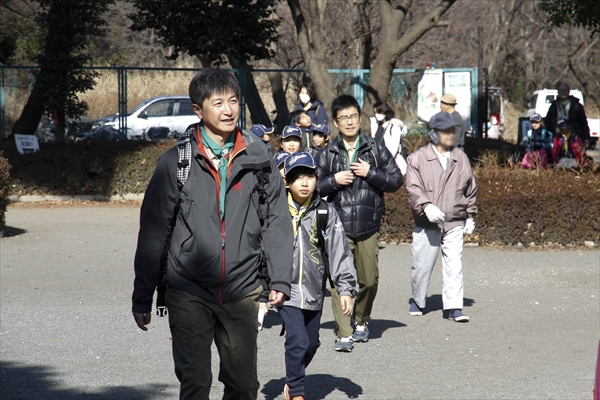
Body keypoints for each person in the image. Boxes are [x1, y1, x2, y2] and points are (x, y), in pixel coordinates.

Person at [131, 68, 293, 400]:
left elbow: (276, 220)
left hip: (243, 287)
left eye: (233, 101)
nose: (228, 110)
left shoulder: (260, 160)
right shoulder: (177, 162)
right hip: (188, 289)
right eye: (217, 102)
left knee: (243, 386)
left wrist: (279, 279)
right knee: (195, 384)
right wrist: (142, 294)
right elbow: (154, 231)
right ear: (198, 110)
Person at [315, 94, 403, 352]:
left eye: (354, 116)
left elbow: (396, 180)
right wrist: (334, 180)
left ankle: (362, 320)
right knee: (339, 281)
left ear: (360, 118)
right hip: (337, 227)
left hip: (368, 226)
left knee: (369, 281)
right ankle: (344, 333)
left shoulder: (374, 148)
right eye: (344, 118)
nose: (350, 122)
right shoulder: (327, 152)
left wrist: (371, 173)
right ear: (335, 122)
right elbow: (310, 187)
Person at [280, 151, 357, 400]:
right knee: (298, 340)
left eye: (309, 176)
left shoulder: (326, 212)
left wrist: (345, 289)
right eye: (297, 177)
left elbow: (339, 252)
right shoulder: (275, 211)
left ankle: (293, 377)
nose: (304, 182)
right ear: (287, 182)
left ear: (317, 178)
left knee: (311, 344)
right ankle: (296, 390)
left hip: (313, 291)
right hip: (285, 289)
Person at [405, 111, 477, 322]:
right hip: (427, 222)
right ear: (433, 133)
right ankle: (417, 300)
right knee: (421, 265)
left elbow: (470, 188)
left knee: (454, 265)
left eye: (452, 131)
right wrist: (425, 205)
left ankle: (454, 307)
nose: (450, 136)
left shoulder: (460, 157)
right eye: (445, 131)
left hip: (454, 221)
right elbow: (412, 187)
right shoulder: (417, 158)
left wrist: (470, 215)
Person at [544, 83, 592, 149]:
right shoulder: (554, 106)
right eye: (561, 90)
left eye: (565, 90)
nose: (563, 92)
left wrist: (586, 138)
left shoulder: (577, 105)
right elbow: (547, 122)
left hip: (574, 137)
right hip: (557, 137)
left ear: (569, 91)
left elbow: (583, 123)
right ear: (558, 92)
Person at [369, 100, 408, 175]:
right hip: (379, 164)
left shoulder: (394, 126)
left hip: (392, 163)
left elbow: (394, 147)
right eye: (375, 113)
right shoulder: (377, 126)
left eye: (379, 112)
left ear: (385, 111)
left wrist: (385, 161)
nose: (377, 115)